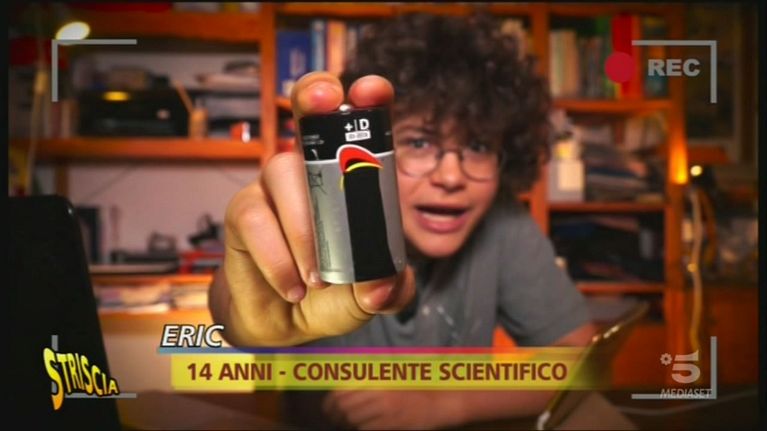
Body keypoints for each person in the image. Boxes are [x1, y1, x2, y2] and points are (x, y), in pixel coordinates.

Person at [210, 12, 597, 429]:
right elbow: (234, 314)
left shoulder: (503, 223)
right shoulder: (326, 215)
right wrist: (242, 295)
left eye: (478, 146)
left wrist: (442, 404)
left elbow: (581, 361)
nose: (451, 177)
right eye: (419, 142)